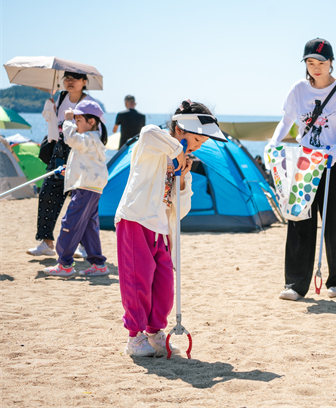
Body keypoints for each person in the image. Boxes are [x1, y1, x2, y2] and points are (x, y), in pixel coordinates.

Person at [115, 100, 227, 356]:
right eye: (196, 140)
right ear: (180, 129)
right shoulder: (152, 145)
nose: (197, 147)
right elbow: (148, 132)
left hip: (161, 230)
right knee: (138, 280)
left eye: (201, 145)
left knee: (164, 284)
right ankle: (134, 337)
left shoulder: (181, 166)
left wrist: (184, 180)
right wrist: (177, 150)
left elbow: (181, 210)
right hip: (136, 220)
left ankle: (155, 332)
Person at [265, 38, 336, 301]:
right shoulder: (298, 89)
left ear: (331, 62)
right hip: (305, 161)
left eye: (321, 62)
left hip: (333, 160)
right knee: (299, 219)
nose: (316, 67)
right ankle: (295, 285)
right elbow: (286, 120)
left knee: (335, 221)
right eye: (310, 62)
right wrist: (274, 143)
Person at [27, 72, 103, 258]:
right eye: (66, 78)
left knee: (80, 199)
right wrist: (51, 109)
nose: (69, 82)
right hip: (59, 151)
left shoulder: (89, 103)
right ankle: (46, 242)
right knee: (47, 193)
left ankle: (83, 246)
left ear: (84, 82)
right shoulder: (60, 97)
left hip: (80, 152)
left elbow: (97, 131)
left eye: (74, 78)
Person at [43, 101, 109, 277]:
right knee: (88, 227)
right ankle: (98, 264)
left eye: (79, 120)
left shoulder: (89, 138)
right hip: (91, 187)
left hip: (86, 189)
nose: (76, 123)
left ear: (92, 122)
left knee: (69, 224)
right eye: (76, 120)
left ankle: (64, 264)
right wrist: (69, 171)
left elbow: (70, 139)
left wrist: (67, 121)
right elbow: (85, 163)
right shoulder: (90, 140)